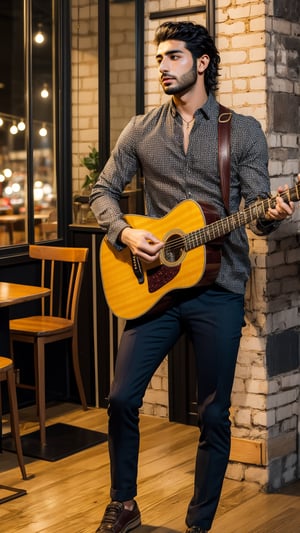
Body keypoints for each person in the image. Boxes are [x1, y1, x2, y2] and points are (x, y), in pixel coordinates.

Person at [89, 21, 294, 533]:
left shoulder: (240, 130)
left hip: (219, 290)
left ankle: (198, 524)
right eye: (159, 59)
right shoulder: (140, 129)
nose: (162, 67)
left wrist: (273, 213)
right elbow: (102, 190)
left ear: (201, 64)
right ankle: (124, 504)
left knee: (213, 413)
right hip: (153, 285)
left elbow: (256, 210)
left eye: (174, 57)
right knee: (120, 400)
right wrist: (126, 235)